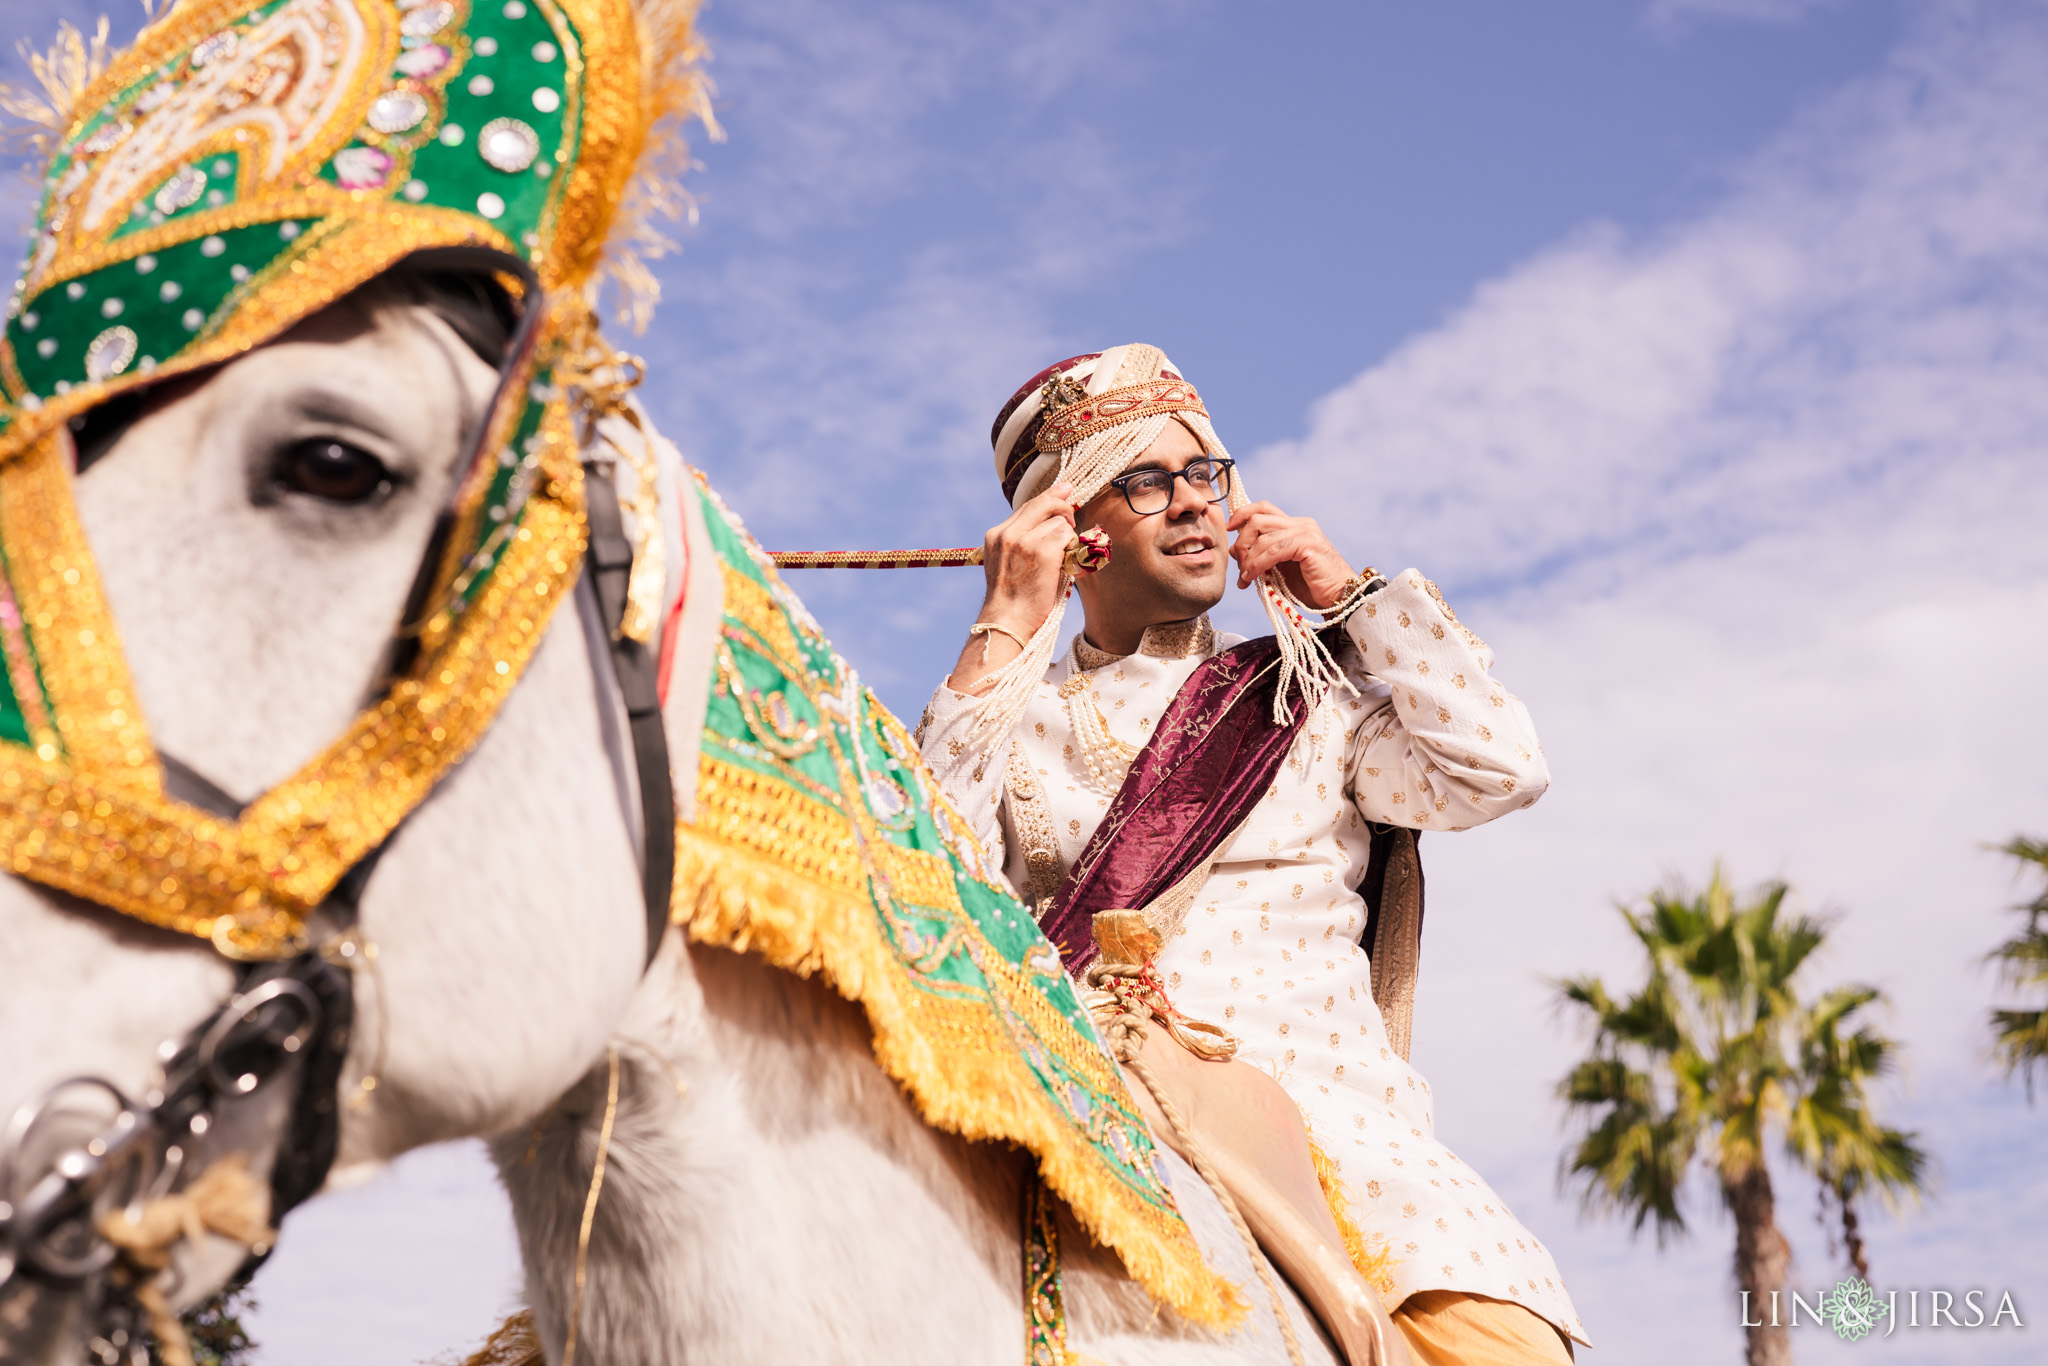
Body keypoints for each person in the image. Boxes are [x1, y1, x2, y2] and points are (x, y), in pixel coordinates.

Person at [918, 344, 1587, 1364]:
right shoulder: (1013, 723)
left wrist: (1355, 597)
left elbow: (1499, 769)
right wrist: (1006, 619)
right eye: (1143, 479)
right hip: (1092, 1112)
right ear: (1071, 529)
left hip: (1341, 1146)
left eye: (1204, 474)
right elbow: (923, 881)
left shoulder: (1309, 700)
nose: (1191, 504)